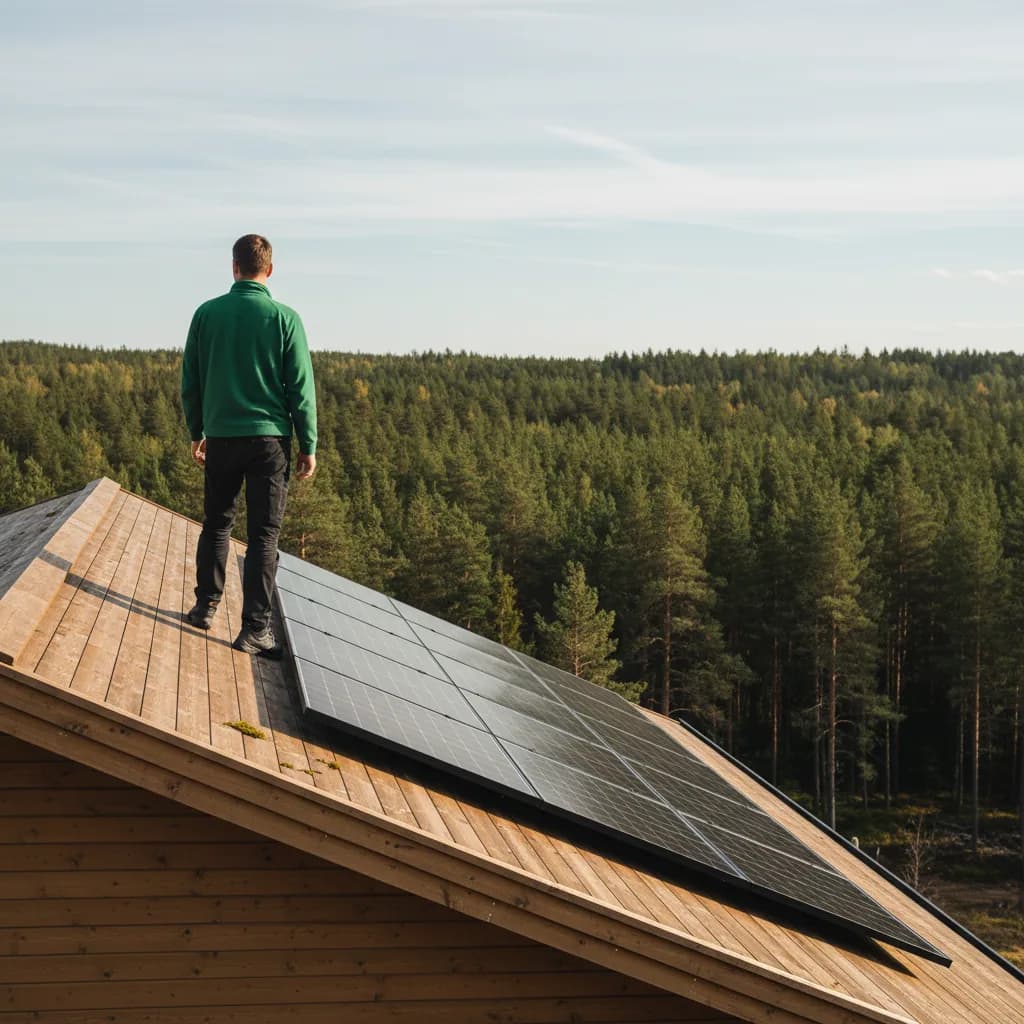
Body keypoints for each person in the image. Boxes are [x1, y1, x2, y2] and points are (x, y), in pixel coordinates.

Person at [180, 234, 317, 657]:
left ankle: (205, 607)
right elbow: (300, 387)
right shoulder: (285, 318)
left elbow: (192, 380)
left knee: (217, 523)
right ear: (269, 270)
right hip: (269, 442)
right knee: (263, 536)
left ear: (234, 266)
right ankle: (254, 630)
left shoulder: (206, 314)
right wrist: (307, 442)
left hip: (221, 436)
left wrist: (197, 430)